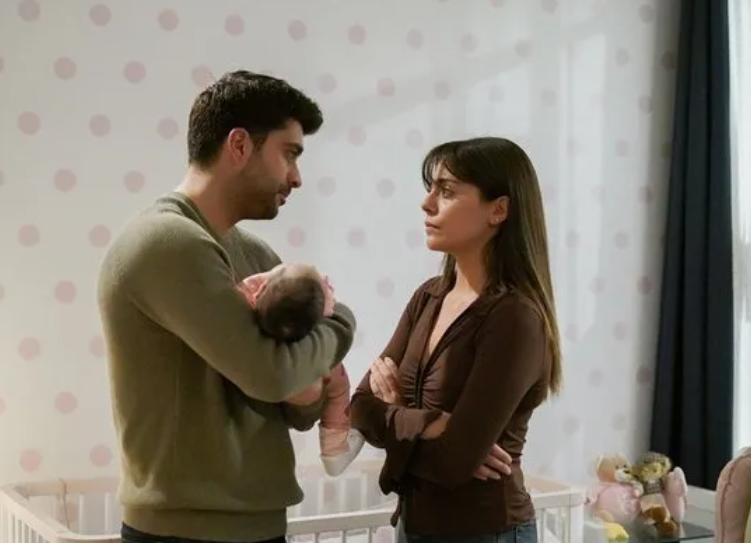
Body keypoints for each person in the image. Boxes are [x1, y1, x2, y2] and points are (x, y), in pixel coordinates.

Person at [97, 70, 356, 543]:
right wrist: (342, 323)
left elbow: (300, 409)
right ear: (238, 145)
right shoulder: (166, 242)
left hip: (259, 525)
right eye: (289, 153)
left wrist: (304, 380)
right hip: (186, 534)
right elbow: (273, 376)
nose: (297, 177)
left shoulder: (256, 255)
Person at [349, 137, 562, 543]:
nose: (426, 203)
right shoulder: (428, 297)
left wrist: (394, 411)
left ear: (498, 210)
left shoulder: (514, 318)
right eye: (430, 189)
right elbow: (359, 408)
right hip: (414, 526)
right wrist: (428, 423)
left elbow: (453, 464)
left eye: (446, 191)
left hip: (485, 532)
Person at [238, 263, 365, 476]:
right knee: (339, 391)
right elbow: (335, 313)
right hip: (315, 379)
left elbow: (244, 291)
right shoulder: (319, 310)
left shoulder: (247, 305)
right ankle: (334, 450)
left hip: (278, 392)